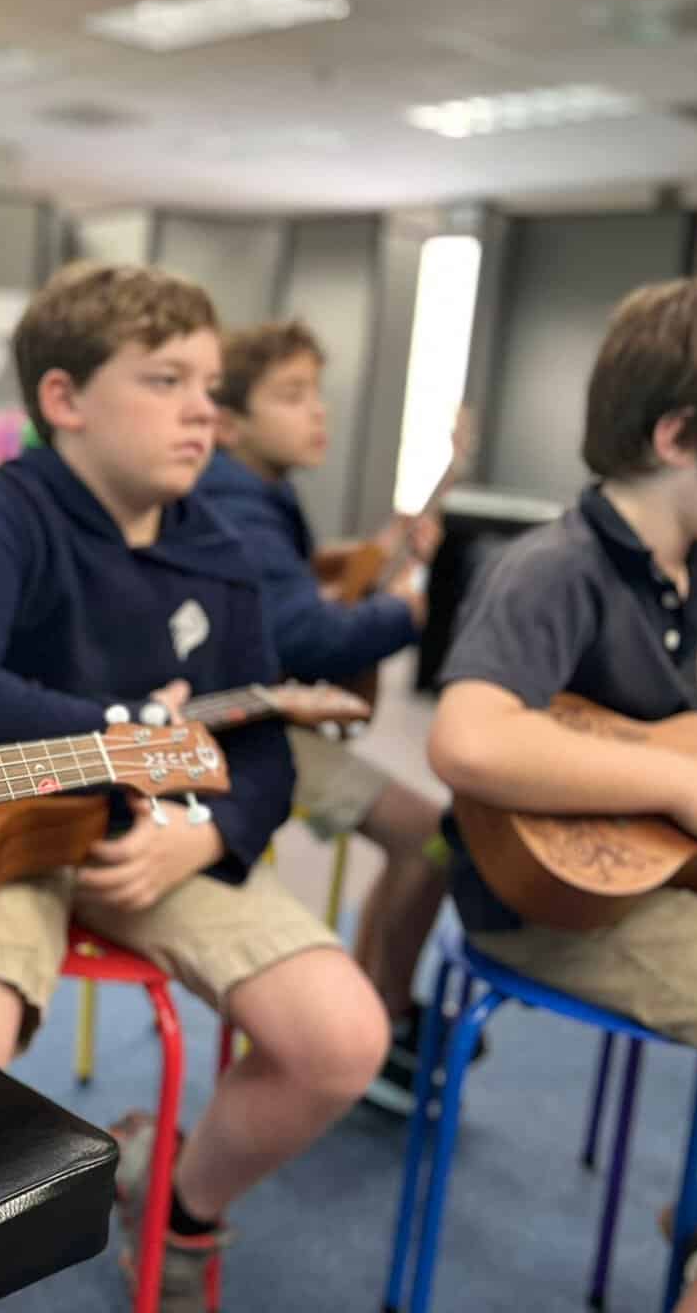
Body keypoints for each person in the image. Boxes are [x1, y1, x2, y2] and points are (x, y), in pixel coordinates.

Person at [0, 262, 388, 1312]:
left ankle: (179, 1202)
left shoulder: (223, 548)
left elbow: (258, 749)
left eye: (208, 383)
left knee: (343, 1041)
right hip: (3, 838)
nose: (204, 408)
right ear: (65, 401)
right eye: (166, 380)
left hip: (167, 843)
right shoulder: (2, 510)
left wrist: (204, 841)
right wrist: (132, 733)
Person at [426, 270, 697, 1313]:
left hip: (680, 883)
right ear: (679, 438)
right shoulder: (553, 568)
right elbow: (467, 739)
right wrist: (680, 779)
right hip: (561, 911)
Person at [198, 318, 455, 1113]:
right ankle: (388, 1015)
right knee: (435, 835)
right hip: (240, 732)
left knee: (427, 834)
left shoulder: (260, 490)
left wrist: (370, 557)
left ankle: (384, 1004)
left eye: (318, 394)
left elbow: (286, 588)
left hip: (269, 719)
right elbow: (300, 631)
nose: (319, 414)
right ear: (232, 421)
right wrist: (409, 608)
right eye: (292, 395)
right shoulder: (237, 499)